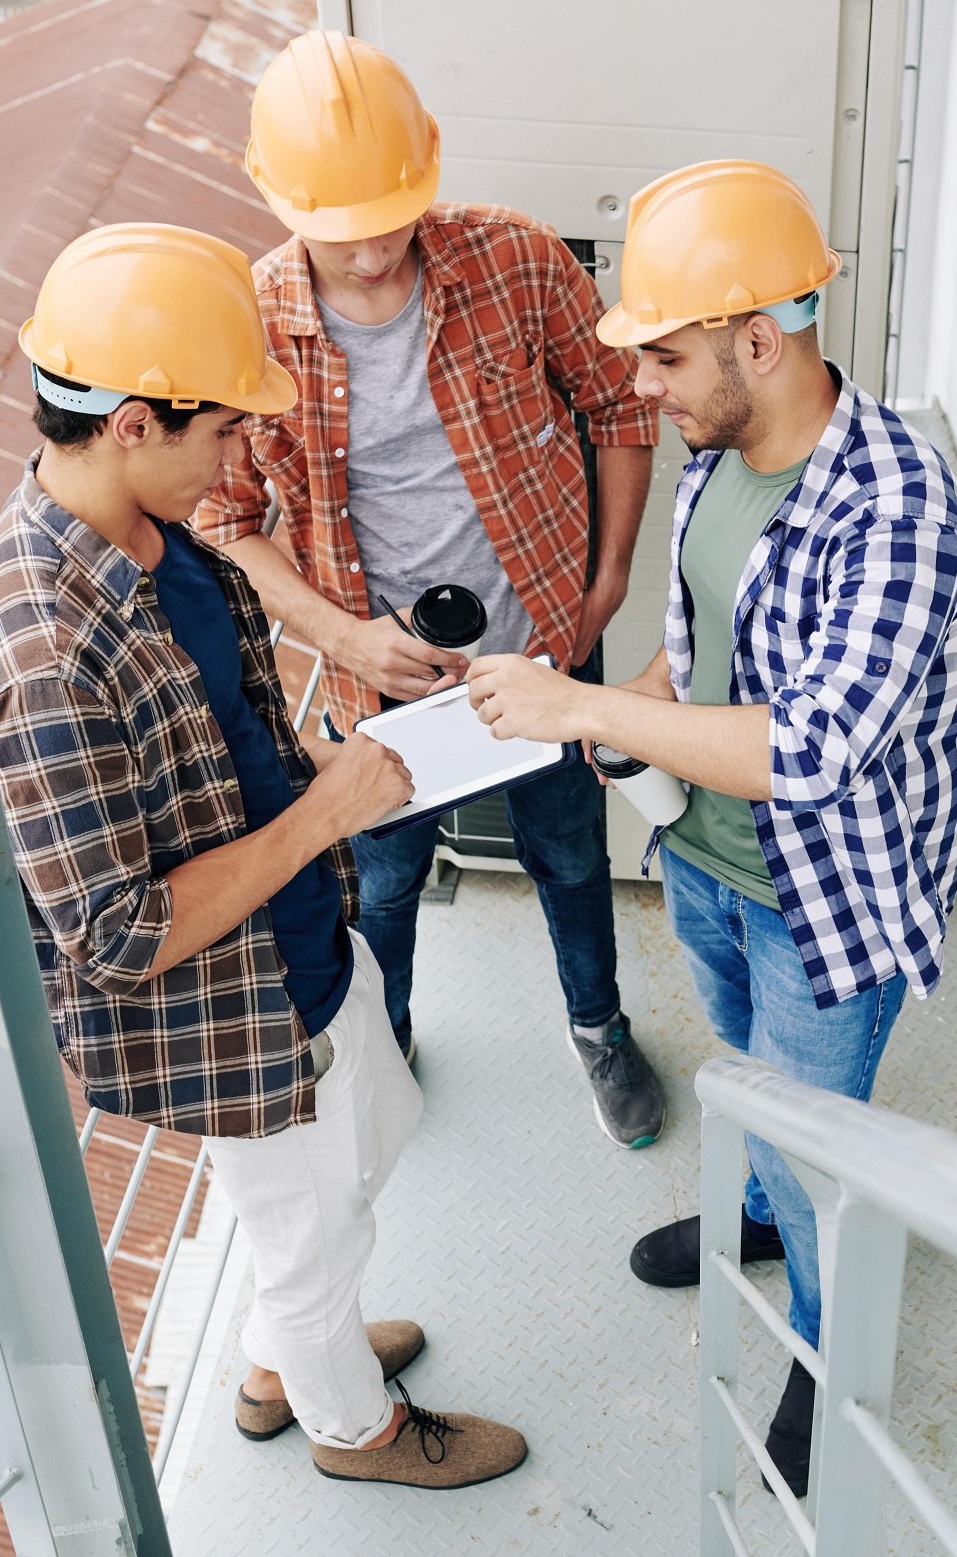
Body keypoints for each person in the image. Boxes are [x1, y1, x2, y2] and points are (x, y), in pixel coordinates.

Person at [0, 223, 526, 1489]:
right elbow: (115, 937)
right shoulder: (38, 651)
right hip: (233, 1015)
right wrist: (325, 820)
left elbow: (219, 740)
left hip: (306, 939)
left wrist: (321, 776)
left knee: (369, 1134)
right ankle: (351, 1425)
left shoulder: (159, 537)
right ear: (131, 423)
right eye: (221, 428)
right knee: (311, 1226)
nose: (242, 451)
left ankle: (284, 1348)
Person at [465, 161, 957, 1494]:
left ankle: (822, 1347)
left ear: (759, 340)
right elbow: (700, 661)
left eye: (663, 357)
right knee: (741, 1067)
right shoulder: (720, 454)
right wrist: (626, 706)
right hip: (700, 857)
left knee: (818, 1152)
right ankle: (752, 1214)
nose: (639, 388)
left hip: (822, 903)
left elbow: (806, 747)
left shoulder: (897, 509)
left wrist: (582, 697)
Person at [193, 32, 667, 1149]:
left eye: (390, 219)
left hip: (547, 647)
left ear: (431, 169)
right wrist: (345, 641)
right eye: (337, 230)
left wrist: (605, 582)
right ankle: (382, 1051)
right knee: (385, 882)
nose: (367, 257)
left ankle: (597, 1025)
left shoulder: (517, 259)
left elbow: (617, 405)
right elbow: (225, 520)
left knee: (565, 850)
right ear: (273, 196)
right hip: (380, 686)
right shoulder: (248, 322)